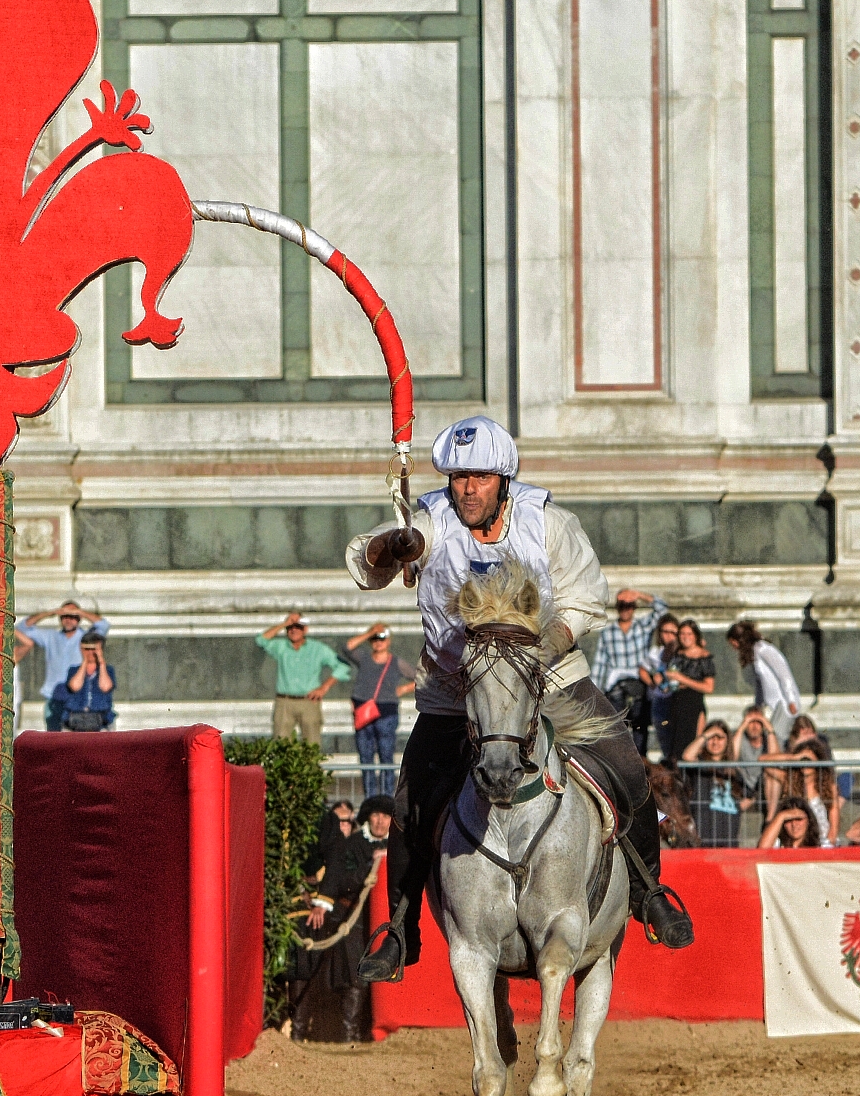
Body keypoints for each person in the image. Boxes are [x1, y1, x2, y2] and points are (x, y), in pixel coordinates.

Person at [346, 414, 693, 984]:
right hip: (454, 696)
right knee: (410, 804)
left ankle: (650, 891)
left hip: (552, 682)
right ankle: (400, 932)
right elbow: (367, 566)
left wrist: (543, 650)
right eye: (458, 478)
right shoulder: (429, 520)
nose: (466, 490)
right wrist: (392, 544)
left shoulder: (548, 523)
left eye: (479, 478)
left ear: (504, 478)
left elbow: (584, 600)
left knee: (628, 767)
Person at [291, 796, 385, 1043]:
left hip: (381, 919)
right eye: (376, 815)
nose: (380, 821)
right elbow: (342, 879)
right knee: (353, 974)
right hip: (349, 919)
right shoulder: (352, 844)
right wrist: (369, 869)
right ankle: (348, 1033)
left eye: (386, 816)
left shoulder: (397, 845)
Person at [589, 588, 668, 754]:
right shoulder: (608, 632)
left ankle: (642, 766)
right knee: (617, 732)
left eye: (630, 605)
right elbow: (600, 664)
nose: (626, 609)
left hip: (639, 685)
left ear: (634, 607)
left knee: (640, 731)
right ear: (617, 608)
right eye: (622, 606)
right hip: (616, 687)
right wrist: (595, 693)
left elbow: (663, 610)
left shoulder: (643, 626)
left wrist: (639, 594)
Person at [343, 623, 416, 799]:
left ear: (389, 641)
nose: (378, 642)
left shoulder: (397, 662)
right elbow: (346, 647)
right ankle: (370, 797)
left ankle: (386, 796)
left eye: (382, 638)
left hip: (386, 712)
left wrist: (403, 689)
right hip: (363, 712)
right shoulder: (364, 658)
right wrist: (369, 632)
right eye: (375, 639)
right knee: (366, 757)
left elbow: (420, 677)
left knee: (386, 755)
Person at [18, 600, 111, 732]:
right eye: (65, 616)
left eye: (72, 617)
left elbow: (104, 625)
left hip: (77, 696)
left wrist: (80, 612)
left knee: (76, 738)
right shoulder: (50, 636)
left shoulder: (85, 637)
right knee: (53, 737)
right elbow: (23, 628)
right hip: (54, 695)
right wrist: (50, 613)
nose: (68, 620)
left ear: (78, 619)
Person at [256, 613, 348, 743]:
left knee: (312, 744)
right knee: (280, 744)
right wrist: (283, 624)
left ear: (305, 629)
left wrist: (324, 688)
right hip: (285, 702)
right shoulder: (281, 646)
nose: (294, 630)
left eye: (298, 626)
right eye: (290, 627)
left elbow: (342, 666)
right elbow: (261, 640)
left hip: (308, 701)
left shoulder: (318, 649)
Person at [725, 620, 803, 730]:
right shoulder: (754, 654)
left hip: (782, 704)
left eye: (733, 643)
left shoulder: (763, 649)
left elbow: (784, 675)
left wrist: (791, 700)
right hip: (770, 707)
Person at [659, 620, 716, 767]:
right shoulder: (677, 654)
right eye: (682, 634)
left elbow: (709, 687)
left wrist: (682, 679)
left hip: (693, 706)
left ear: (695, 635)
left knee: (691, 747)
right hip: (676, 704)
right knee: (674, 749)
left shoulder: (704, 657)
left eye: (689, 634)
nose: (685, 637)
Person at [682, 720, 743, 845]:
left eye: (720, 738)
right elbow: (687, 756)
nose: (715, 742)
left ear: (727, 742)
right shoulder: (700, 766)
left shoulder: (733, 771)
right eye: (711, 738)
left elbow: (749, 795)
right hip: (703, 838)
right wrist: (706, 734)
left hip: (729, 840)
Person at [640, 613, 683, 763]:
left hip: (677, 699)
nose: (669, 636)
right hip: (660, 699)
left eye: (673, 632)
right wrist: (652, 681)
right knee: (663, 736)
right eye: (665, 632)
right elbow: (643, 670)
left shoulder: (681, 652)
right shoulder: (656, 652)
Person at [59, 632, 116, 730]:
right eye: (87, 649)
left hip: (101, 721)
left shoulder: (108, 670)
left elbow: (105, 687)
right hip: (74, 720)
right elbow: (74, 687)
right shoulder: (73, 670)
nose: (90, 653)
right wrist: (84, 662)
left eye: (93, 649)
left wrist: (101, 663)